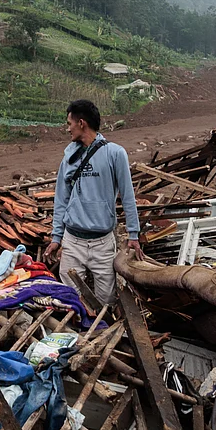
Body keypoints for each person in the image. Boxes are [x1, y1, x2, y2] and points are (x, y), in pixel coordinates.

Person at [45, 99, 141, 306]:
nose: (67, 128)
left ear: (81, 123)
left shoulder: (115, 153)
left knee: (106, 300)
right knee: (70, 299)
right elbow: (61, 199)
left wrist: (133, 234)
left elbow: (127, 196)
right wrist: (56, 237)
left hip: (102, 243)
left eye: (69, 123)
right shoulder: (69, 157)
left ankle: (102, 333)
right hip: (73, 241)